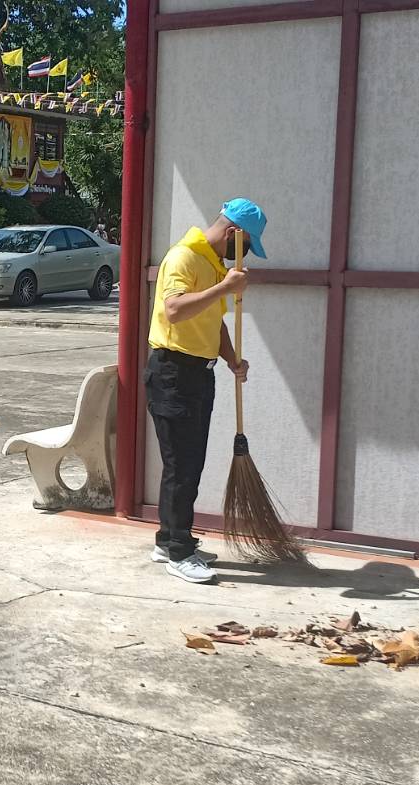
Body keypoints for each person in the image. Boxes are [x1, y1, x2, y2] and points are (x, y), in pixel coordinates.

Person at [146, 199, 260, 584]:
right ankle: (178, 553)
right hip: (173, 373)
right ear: (233, 234)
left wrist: (231, 359)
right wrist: (225, 286)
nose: (243, 255)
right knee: (182, 465)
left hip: (198, 374)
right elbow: (174, 309)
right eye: (245, 246)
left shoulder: (213, 265)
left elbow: (215, 322)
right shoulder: (184, 257)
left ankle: (169, 540)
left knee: (188, 463)